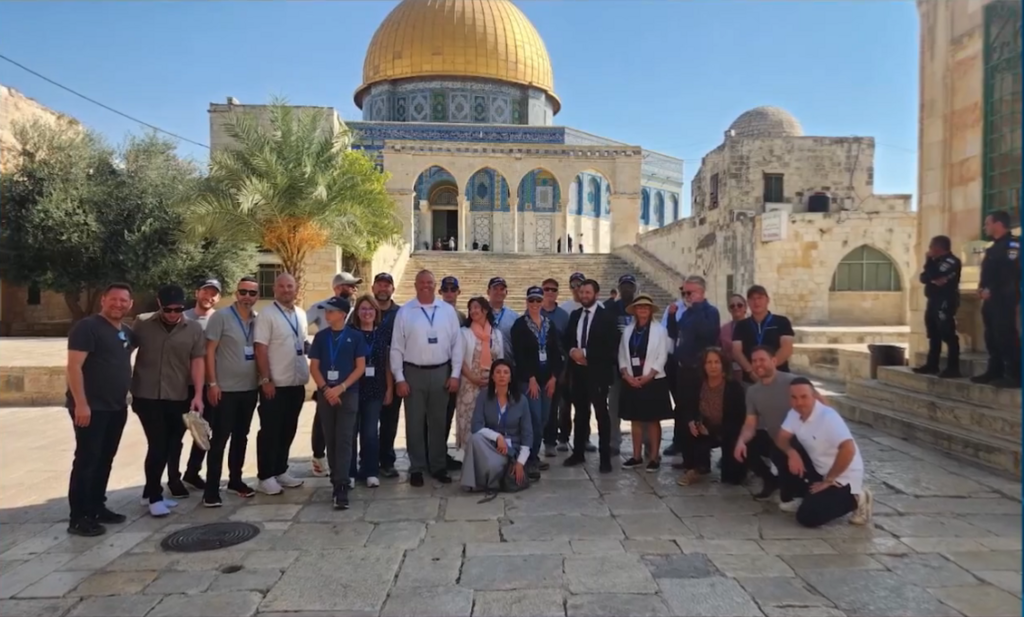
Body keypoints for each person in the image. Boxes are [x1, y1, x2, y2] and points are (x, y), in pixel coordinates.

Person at [65, 282, 136, 536]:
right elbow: (74, 366)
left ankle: (96, 506)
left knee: (105, 459)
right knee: (87, 460)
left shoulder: (126, 332)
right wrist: (81, 404)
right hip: (91, 408)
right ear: (103, 300)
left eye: (124, 300)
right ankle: (78, 517)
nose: (118, 304)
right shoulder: (87, 327)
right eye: (113, 299)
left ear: (130, 304)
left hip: (115, 406)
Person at [131, 284, 206, 517]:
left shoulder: (193, 328)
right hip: (147, 394)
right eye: (168, 309)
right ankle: (155, 497)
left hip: (177, 395)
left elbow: (197, 361)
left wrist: (198, 395)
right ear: (159, 304)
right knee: (158, 444)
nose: (173, 314)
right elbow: (125, 350)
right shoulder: (142, 323)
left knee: (172, 445)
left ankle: (149, 492)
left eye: (178, 309)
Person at [390, 270, 464, 486]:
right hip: (413, 372)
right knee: (414, 422)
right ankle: (417, 467)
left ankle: (438, 465)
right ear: (415, 285)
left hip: (441, 371)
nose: (426, 285)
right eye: (422, 282)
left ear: (435, 285)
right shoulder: (405, 312)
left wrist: (455, 374)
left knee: (439, 422)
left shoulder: (447, 311)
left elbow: (457, 344)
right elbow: (396, 347)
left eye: (430, 282)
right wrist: (399, 378)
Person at [778, 378, 873, 527]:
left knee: (807, 517)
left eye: (804, 397)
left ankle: (857, 497)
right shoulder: (794, 414)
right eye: (794, 398)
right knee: (780, 452)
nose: (799, 403)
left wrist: (829, 480)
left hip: (842, 477)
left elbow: (848, 449)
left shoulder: (828, 417)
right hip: (819, 469)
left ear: (814, 396)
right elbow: (781, 438)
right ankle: (804, 496)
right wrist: (791, 453)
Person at [733, 346, 820, 508]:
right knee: (745, 444)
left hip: (801, 441)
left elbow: (822, 406)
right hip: (777, 441)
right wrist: (741, 441)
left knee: (789, 498)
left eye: (762, 360)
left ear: (774, 361)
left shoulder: (792, 382)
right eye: (754, 361)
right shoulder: (752, 391)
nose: (758, 364)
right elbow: (750, 424)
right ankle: (770, 481)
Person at [202, 276, 261, 506]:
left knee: (241, 437)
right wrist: (212, 383)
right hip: (224, 390)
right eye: (243, 292)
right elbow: (209, 351)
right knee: (219, 439)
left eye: (252, 293)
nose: (247, 296)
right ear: (236, 294)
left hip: (249, 389)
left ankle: (235, 480)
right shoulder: (221, 317)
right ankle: (211, 490)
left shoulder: (257, 320)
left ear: (257, 297)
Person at [253, 273, 310, 495]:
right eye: (282, 286)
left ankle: (280, 469)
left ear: (296, 289)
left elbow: (302, 343)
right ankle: (265, 476)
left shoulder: (301, 314)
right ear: (274, 289)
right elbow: (260, 348)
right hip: (275, 384)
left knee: (288, 429)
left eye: (290, 286)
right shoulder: (267, 315)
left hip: (296, 383)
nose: (286, 290)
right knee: (270, 431)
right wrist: (266, 379)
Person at [309, 297, 367, 509]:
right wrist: (326, 389)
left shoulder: (355, 336)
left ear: (342, 314)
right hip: (326, 394)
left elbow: (360, 367)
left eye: (331, 311)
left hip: (348, 393)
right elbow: (314, 367)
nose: (327, 315)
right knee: (330, 437)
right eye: (326, 311)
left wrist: (341, 387)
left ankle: (341, 484)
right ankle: (336, 478)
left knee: (344, 438)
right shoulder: (321, 337)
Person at [171, 278, 222, 494]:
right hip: (182, 386)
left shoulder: (220, 319)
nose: (208, 296)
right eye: (205, 292)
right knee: (176, 434)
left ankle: (193, 472)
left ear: (218, 297)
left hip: (209, 386)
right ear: (196, 293)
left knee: (204, 432)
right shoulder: (182, 317)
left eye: (213, 293)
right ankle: (173, 479)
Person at [308, 272, 361, 478]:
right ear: (338, 287)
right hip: (325, 379)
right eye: (349, 285)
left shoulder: (356, 308)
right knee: (324, 424)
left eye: (355, 286)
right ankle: (320, 457)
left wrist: (343, 386)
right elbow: (302, 326)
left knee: (346, 431)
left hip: (348, 381)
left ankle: (345, 472)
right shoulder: (320, 308)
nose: (354, 289)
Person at [563, 279, 619, 472]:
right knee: (580, 413)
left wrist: (586, 353)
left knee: (601, 414)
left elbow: (611, 346)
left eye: (588, 292)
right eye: (582, 292)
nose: (584, 296)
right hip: (578, 372)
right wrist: (572, 351)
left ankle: (605, 458)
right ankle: (578, 452)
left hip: (598, 373)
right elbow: (567, 339)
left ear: (596, 294)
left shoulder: (607, 317)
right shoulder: (575, 315)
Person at [512, 286, 564, 480]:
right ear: (526, 302)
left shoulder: (549, 324)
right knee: (533, 418)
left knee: (544, 418)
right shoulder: (520, 325)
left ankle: (533, 453)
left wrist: (554, 378)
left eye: (538, 300)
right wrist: (530, 378)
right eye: (531, 300)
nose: (535, 304)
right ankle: (529, 458)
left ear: (543, 302)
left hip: (547, 380)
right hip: (529, 381)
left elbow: (556, 353)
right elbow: (519, 355)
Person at [667, 276, 721, 462]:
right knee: (684, 411)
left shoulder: (710, 312)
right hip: (683, 370)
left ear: (701, 292)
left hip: (698, 371)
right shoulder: (687, 313)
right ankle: (687, 457)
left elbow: (708, 333)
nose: (686, 296)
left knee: (699, 414)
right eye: (684, 293)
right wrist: (672, 317)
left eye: (690, 292)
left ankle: (701, 460)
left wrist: (697, 307)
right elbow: (675, 334)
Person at [617, 294, 672, 471]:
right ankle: (636, 456)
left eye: (646, 307)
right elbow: (622, 354)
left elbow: (662, 355)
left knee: (653, 419)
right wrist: (626, 375)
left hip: (653, 380)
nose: (642, 310)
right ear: (635, 310)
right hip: (632, 379)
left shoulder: (660, 330)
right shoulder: (628, 330)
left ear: (650, 310)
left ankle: (654, 457)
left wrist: (649, 376)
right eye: (639, 307)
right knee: (635, 419)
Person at [677, 348, 747, 486]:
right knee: (685, 427)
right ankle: (694, 468)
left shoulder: (734, 387)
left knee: (732, 480)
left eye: (716, 362)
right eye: (709, 362)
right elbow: (686, 406)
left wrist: (714, 431)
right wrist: (691, 421)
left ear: (723, 365)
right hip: (703, 425)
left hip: (727, 430)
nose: (713, 366)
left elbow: (739, 419)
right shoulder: (696, 384)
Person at [461, 359, 531, 493]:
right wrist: (498, 437)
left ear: (511, 377)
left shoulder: (521, 401)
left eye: (506, 372)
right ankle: (473, 483)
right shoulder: (484, 396)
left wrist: (520, 462)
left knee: (492, 465)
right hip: (492, 445)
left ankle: (490, 481)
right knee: (474, 439)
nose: (502, 375)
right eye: (498, 372)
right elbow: (476, 426)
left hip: (511, 450)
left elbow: (527, 435)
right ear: (492, 377)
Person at [972, 211, 1021, 388]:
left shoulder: (1013, 245)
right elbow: (987, 274)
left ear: (998, 224)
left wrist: (990, 290)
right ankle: (995, 370)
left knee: (1005, 335)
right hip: (991, 299)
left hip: (1004, 298)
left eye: (988, 223)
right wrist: (981, 289)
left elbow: (1010, 273)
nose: (985, 227)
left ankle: (1014, 374)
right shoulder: (994, 247)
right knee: (991, 336)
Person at [350, 294, 393, 489]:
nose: (367, 312)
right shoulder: (350, 333)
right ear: (357, 312)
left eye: (370, 309)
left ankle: (370, 471)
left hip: (375, 389)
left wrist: (389, 388)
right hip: (353, 388)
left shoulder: (382, 334)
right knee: (350, 432)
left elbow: (386, 363)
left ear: (376, 312)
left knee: (370, 432)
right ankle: (350, 472)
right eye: (363, 308)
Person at [455, 297, 505, 450]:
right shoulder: (464, 333)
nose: (473, 311)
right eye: (471, 308)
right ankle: (469, 454)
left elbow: (500, 360)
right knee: (469, 420)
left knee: (490, 420)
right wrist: (473, 378)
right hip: (469, 384)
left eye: (477, 307)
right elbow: (459, 359)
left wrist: (495, 380)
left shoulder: (496, 334)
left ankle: (490, 453)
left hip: (492, 385)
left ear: (486, 310)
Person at [914, 236, 962, 378]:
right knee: (933, 333)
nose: (929, 250)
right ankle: (932, 364)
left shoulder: (951, 261)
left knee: (947, 333)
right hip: (933, 300)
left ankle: (953, 368)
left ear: (938, 248)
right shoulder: (936, 262)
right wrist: (932, 275)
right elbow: (923, 278)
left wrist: (929, 263)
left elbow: (934, 274)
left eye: (931, 247)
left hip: (945, 300)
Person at [371, 272, 404, 478]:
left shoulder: (401, 314)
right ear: (373, 288)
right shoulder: (364, 310)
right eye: (380, 285)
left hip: (393, 373)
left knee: (390, 421)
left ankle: (387, 461)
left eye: (387, 285)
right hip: (366, 375)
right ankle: (368, 461)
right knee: (367, 422)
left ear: (393, 289)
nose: (383, 289)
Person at [731, 285, 795, 382]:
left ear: (767, 300)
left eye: (760, 298)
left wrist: (768, 369)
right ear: (748, 303)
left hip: (779, 378)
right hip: (750, 380)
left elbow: (787, 348)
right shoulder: (741, 325)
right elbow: (736, 352)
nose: (756, 302)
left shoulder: (782, 322)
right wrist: (751, 372)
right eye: (752, 299)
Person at [607, 274, 639, 456]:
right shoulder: (611, 308)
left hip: (638, 367)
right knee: (614, 407)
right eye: (624, 286)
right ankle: (614, 442)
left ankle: (645, 443)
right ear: (619, 288)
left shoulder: (640, 307)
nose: (627, 289)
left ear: (634, 288)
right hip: (616, 365)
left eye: (630, 286)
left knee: (641, 407)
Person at [539, 279, 570, 456]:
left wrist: (562, 370)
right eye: (546, 289)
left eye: (553, 289)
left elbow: (567, 343)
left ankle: (551, 441)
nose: (550, 292)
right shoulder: (534, 311)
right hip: (538, 367)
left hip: (557, 368)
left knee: (554, 406)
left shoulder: (563, 316)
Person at [487, 277, 518, 360]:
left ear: (506, 292)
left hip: (507, 363)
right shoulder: (480, 313)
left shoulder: (514, 317)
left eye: (502, 289)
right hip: (484, 364)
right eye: (495, 289)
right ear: (488, 292)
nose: (499, 292)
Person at [720, 294, 748, 382]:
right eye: (732, 306)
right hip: (729, 374)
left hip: (749, 374)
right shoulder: (724, 329)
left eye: (739, 305)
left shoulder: (752, 326)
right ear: (729, 309)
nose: (736, 308)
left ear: (745, 307)